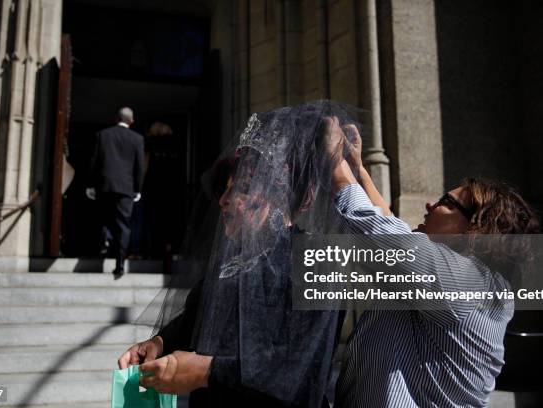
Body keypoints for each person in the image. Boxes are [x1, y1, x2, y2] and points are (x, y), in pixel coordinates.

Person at [117, 102, 355, 407]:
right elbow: (196, 317)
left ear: (279, 196)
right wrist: (159, 342)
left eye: (241, 188)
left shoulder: (315, 262)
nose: (224, 201)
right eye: (224, 189)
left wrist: (207, 371)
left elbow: (301, 371)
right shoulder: (234, 261)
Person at [328, 118, 539, 407]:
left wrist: (335, 165)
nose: (430, 205)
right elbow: (391, 225)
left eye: (446, 202)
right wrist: (358, 170)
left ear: (475, 228)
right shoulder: (463, 278)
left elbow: (386, 238)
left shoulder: (471, 284)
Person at [87, 107, 145, 278]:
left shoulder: (102, 135)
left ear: (116, 118)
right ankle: (119, 266)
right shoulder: (137, 139)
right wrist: (137, 188)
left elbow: (93, 161)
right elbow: (139, 167)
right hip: (126, 188)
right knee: (123, 226)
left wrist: (91, 185)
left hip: (105, 185)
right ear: (131, 121)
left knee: (104, 216)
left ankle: (106, 237)